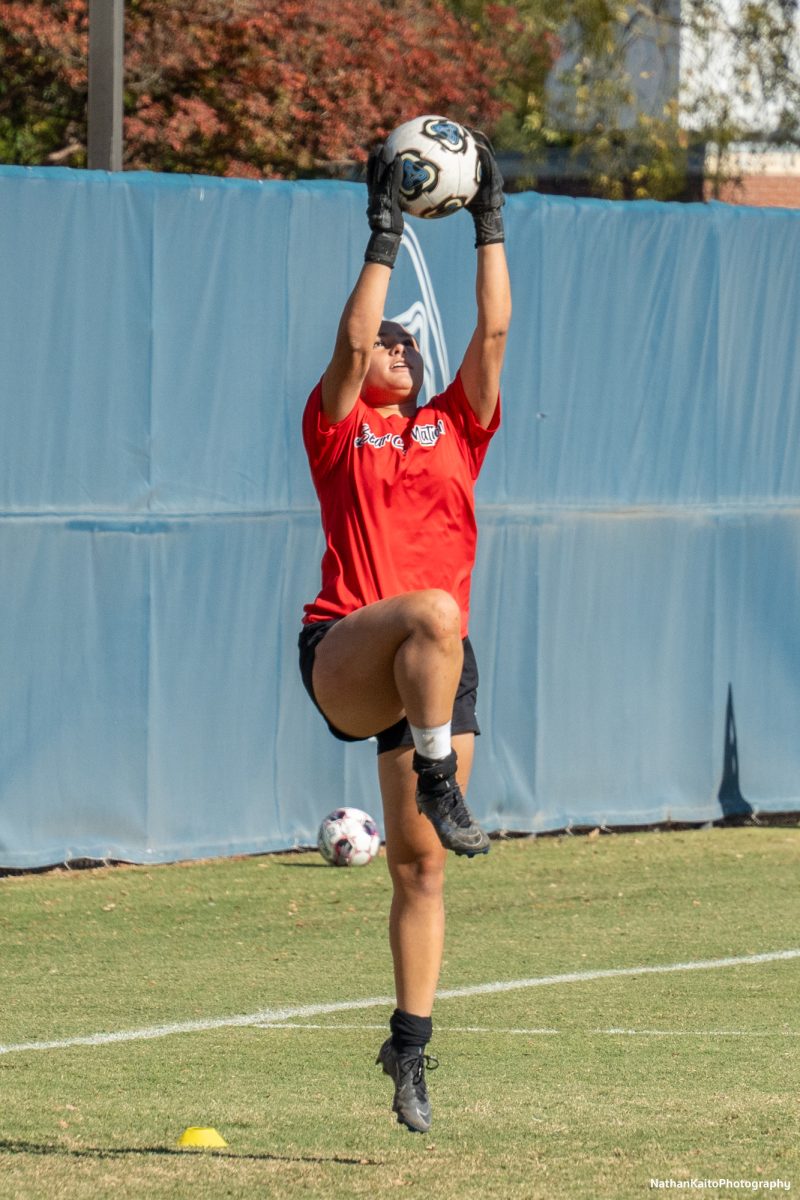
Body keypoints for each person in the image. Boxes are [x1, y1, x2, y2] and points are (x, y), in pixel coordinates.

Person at [298, 130, 511, 1133]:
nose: (388, 344)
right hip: (348, 651)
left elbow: (494, 334)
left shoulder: (451, 425)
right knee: (433, 610)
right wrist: (381, 234)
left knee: (421, 867)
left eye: (401, 341)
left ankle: (409, 1048)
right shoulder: (339, 426)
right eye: (382, 338)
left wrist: (488, 220)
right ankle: (436, 777)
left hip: (433, 675)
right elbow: (347, 345)